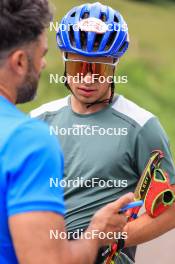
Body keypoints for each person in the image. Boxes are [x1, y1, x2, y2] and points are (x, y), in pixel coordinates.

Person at [31, 2, 175, 263]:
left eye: (98, 70)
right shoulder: (38, 121)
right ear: (64, 62)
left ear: (114, 65)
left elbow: (171, 208)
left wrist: (117, 238)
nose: (87, 79)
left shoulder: (141, 126)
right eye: (78, 67)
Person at [0, 1, 135, 264]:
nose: (43, 64)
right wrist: (95, 233)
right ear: (19, 61)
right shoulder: (29, 139)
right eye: (42, 54)